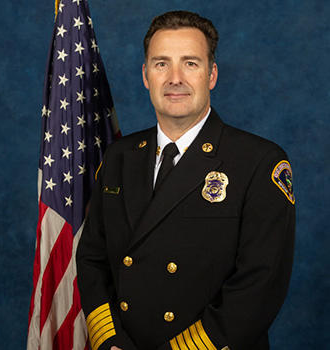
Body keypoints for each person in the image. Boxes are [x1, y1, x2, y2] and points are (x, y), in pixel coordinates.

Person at [76, 10, 295, 350]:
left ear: (212, 75)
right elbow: (92, 258)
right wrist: (110, 341)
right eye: (161, 63)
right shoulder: (120, 156)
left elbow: (260, 285)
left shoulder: (259, 163)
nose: (174, 78)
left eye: (190, 63)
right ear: (146, 75)